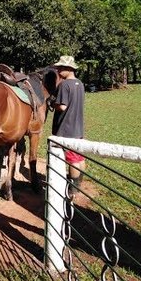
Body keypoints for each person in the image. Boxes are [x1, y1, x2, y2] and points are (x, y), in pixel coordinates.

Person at [51, 55, 85, 196]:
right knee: (79, 157)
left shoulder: (64, 85)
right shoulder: (80, 84)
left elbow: (63, 107)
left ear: (68, 69)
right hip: (78, 126)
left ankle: (72, 189)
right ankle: (78, 184)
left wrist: (53, 103)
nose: (58, 71)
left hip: (66, 127)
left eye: (60, 68)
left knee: (72, 159)